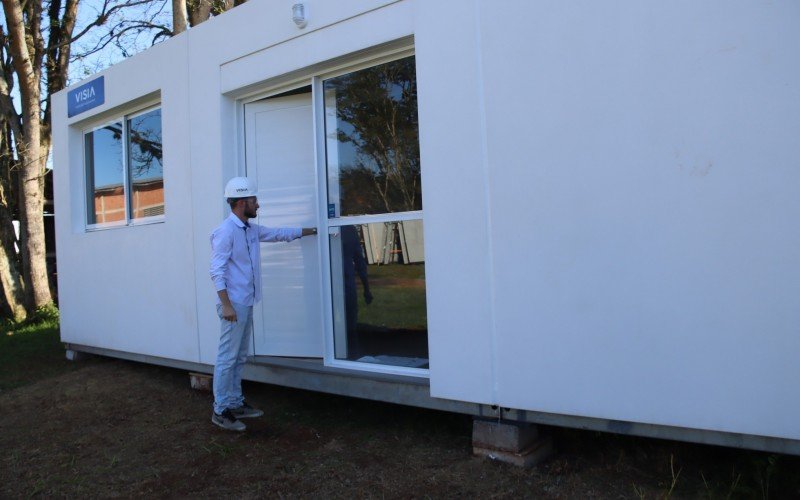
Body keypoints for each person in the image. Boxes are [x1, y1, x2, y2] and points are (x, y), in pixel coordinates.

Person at [209, 176, 316, 431]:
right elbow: (216, 271)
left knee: (239, 356)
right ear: (242, 202)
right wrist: (226, 306)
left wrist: (312, 229)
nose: (258, 205)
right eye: (255, 200)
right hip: (233, 305)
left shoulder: (251, 230)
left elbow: (278, 233)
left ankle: (235, 402)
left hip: (244, 303)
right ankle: (220, 409)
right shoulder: (225, 232)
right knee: (227, 357)